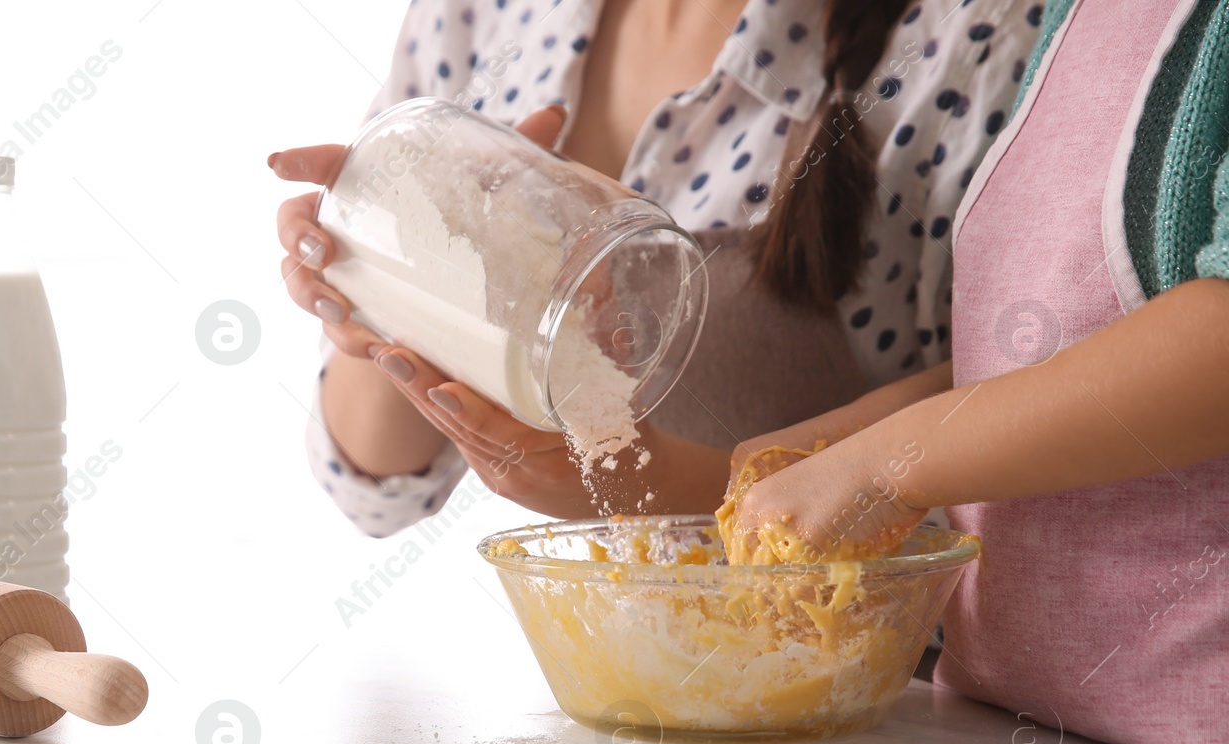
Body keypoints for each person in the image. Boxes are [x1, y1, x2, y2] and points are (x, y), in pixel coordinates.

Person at [272, 0, 1041, 535]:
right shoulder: (494, 12)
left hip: (856, 723)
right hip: (601, 697)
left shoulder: (977, 39)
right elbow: (373, 484)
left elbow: (1023, 455)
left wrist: (663, 484)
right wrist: (394, 270)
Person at [726, 0, 1229, 744]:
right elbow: (1043, 356)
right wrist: (854, 437)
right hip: (1006, 739)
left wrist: (892, 464)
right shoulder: (1073, 15)